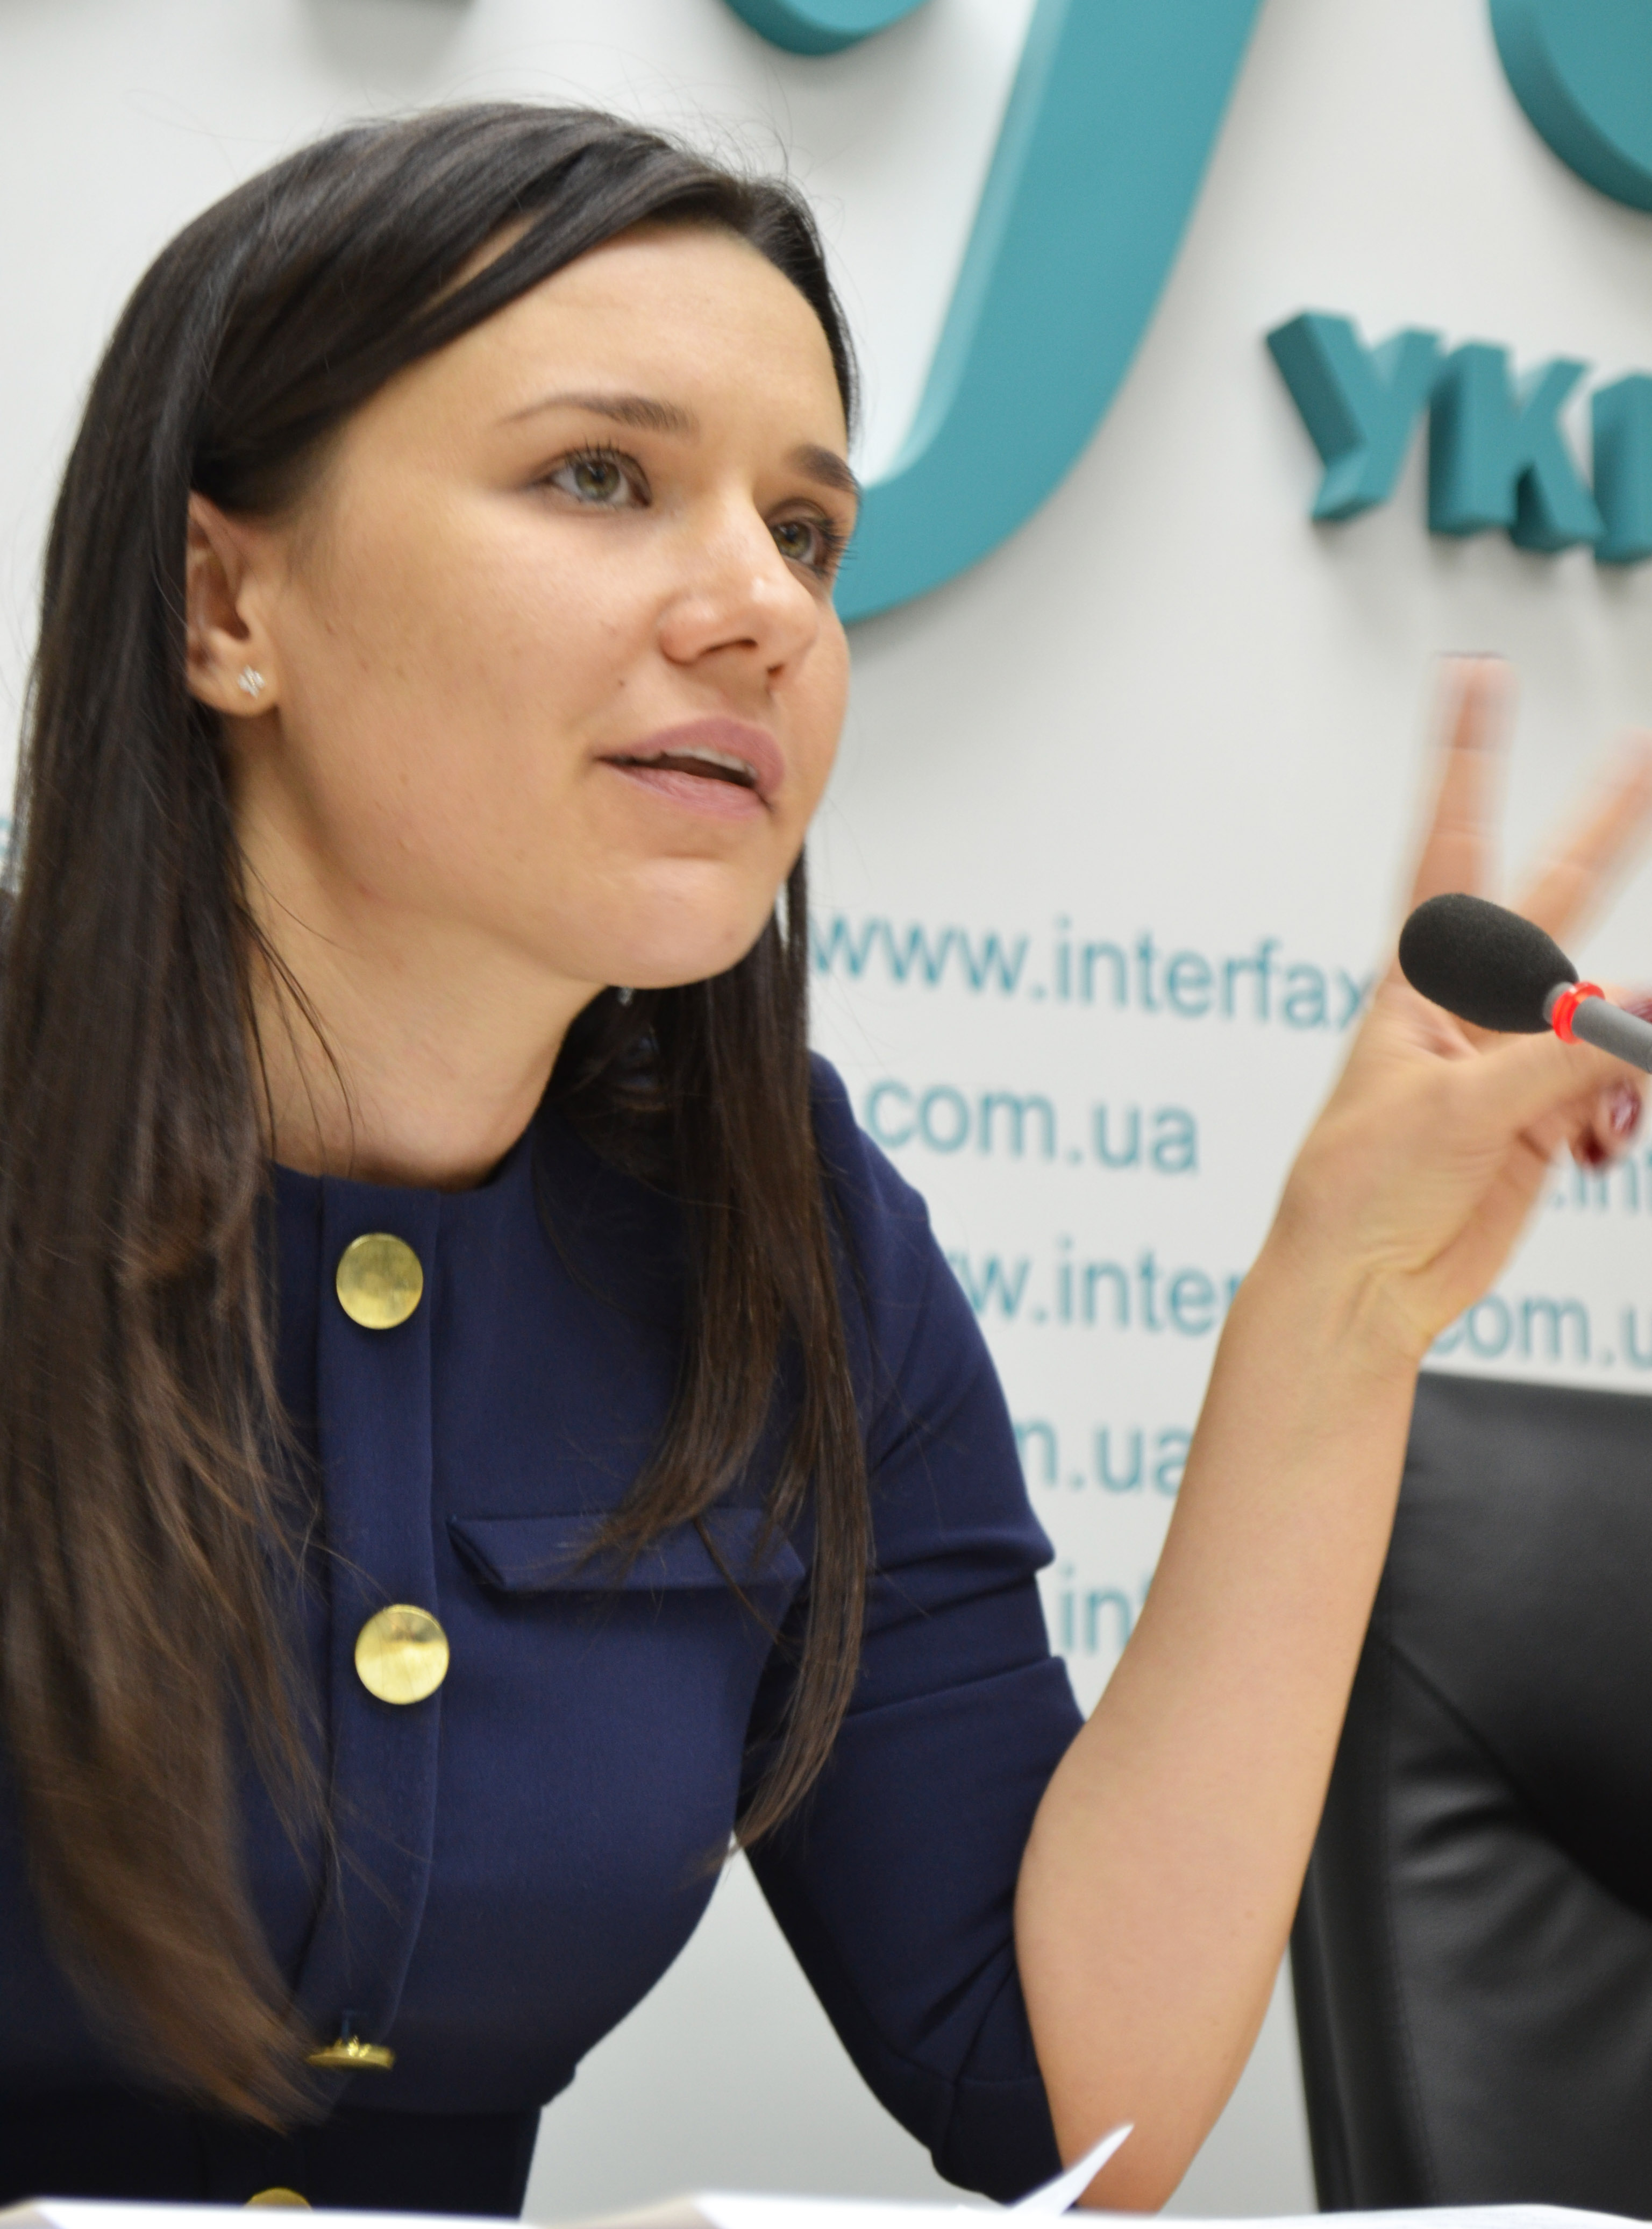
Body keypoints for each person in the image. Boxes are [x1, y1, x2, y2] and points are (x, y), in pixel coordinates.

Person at [0, 101, 1646, 2218]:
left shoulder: (780, 1228)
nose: (760, 607)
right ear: (230, 603)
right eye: (601, 477)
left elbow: (1072, 2097)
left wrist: (1345, 1304)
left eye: (805, 531)